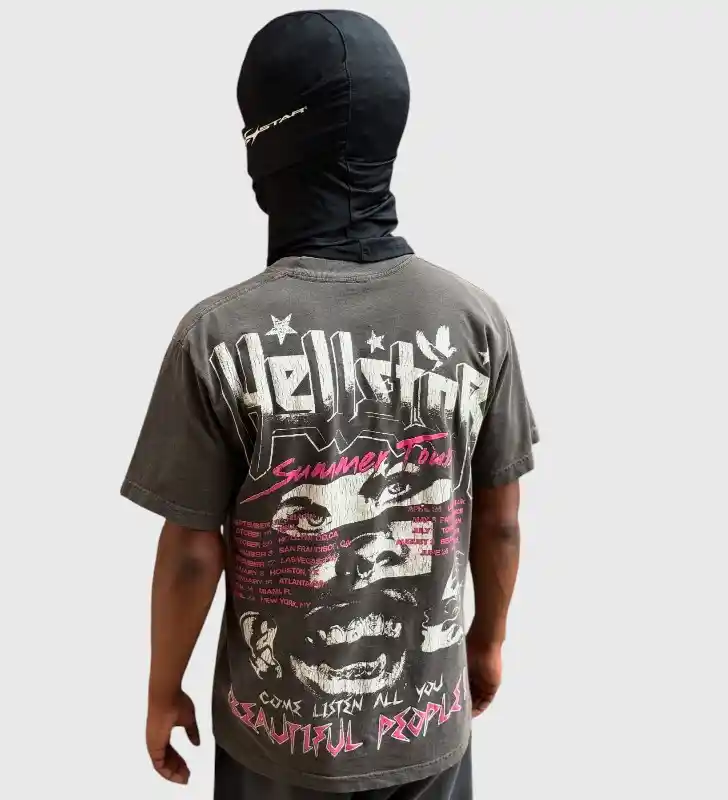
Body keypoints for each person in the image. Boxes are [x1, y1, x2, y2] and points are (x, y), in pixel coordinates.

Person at [120, 9, 539, 799]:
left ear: (265, 145)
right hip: (427, 733)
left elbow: (193, 552)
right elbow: (501, 519)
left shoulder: (217, 335)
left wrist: (161, 687)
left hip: (277, 747)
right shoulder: (475, 321)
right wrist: (487, 644)